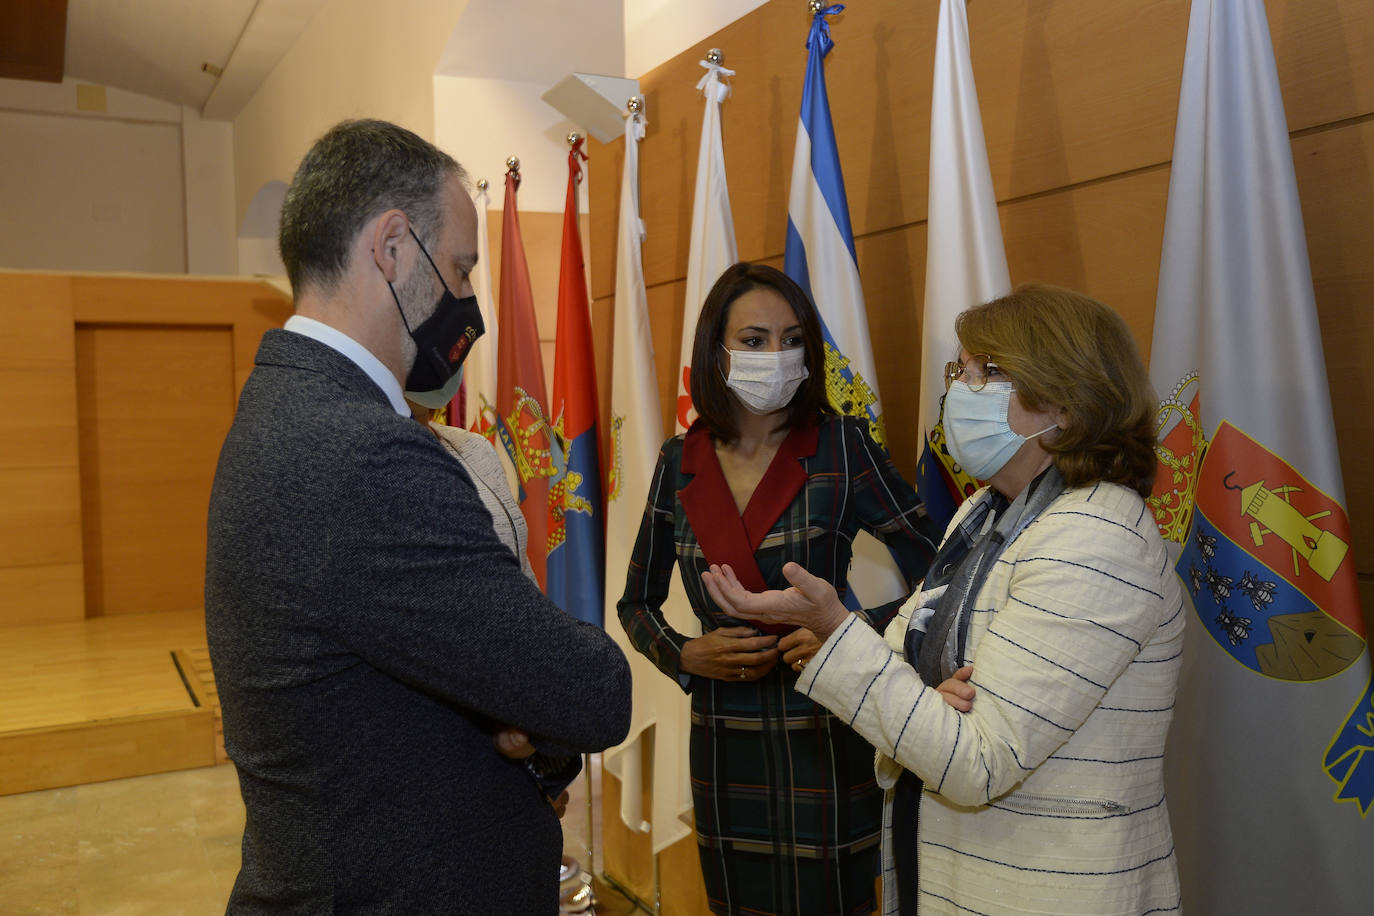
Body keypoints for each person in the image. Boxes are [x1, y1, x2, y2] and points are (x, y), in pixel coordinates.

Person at [205, 119, 630, 914]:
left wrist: (523, 715)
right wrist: (533, 715)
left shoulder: (278, 406)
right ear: (393, 247)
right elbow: (589, 690)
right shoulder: (366, 454)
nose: (468, 302)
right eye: (463, 268)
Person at [703, 283, 1185, 915]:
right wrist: (925, 700)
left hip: (1050, 890)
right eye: (962, 368)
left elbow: (979, 761)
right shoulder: (983, 515)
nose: (960, 386)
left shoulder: (1096, 537)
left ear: (1062, 403)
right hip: (948, 874)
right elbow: (904, 673)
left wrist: (833, 628)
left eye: (988, 371)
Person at [618, 262, 946, 916]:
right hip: (723, 734)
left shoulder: (839, 446)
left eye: (792, 340)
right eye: (756, 340)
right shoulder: (679, 462)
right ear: (717, 351)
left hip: (824, 728)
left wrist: (846, 630)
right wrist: (683, 654)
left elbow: (941, 570)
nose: (776, 355)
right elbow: (635, 604)